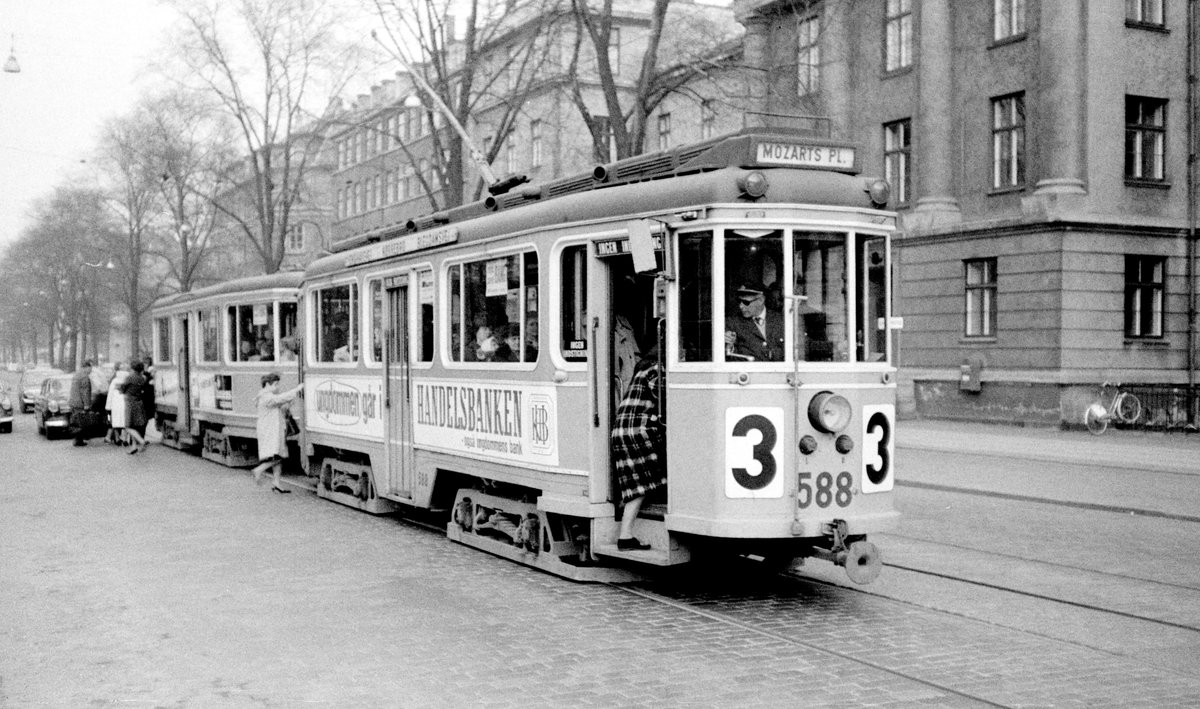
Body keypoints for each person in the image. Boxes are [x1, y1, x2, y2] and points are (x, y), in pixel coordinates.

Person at [609, 346, 665, 551]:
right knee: (641, 486)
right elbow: (669, 397)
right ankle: (625, 536)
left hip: (623, 431)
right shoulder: (657, 371)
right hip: (639, 432)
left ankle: (626, 529)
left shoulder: (643, 369)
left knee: (638, 484)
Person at [250, 372, 304, 493]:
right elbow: (279, 399)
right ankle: (258, 470)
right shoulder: (266, 396)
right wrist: (296, 390)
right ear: (268, 384)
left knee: (279, 455)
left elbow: (279, 405)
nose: (278, 387)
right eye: (276, 384)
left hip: (274, 429)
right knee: (277, 456)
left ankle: (276, 482)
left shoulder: (265, 396)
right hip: (270, 430)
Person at [724, 283, 785, 362]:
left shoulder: (781, 320)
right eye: (739, 301)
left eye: (746, 302)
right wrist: (729, 345)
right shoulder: (733, 323)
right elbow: (727, 356)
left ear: (761, 300)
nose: (741, 306)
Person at [120, 361, 150, 455]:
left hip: (130, 402)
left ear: (133, 369)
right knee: (135, 426)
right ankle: (134, 447)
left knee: (128, 426)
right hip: (139, 402)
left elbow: (122, 388)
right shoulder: (142, 378)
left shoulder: (129, 377)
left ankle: (141, 441)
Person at [68, 360, 94, 447]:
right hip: (80, 403)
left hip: (74, 402)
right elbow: (85, 392)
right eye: (90, 368)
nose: (91, 370)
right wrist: (86, 404)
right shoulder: (84, 377)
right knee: (82, 422)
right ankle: (78, 439)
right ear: (86, 367)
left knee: (76, 421)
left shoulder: (76, 375)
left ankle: (78, 439)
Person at [105, 362, 129, 446]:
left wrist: (108, 406)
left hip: (115, 404)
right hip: (126, 403)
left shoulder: (114, 381)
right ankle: (125, 439)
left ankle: (117, 438)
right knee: (126, 422)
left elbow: (110, 394)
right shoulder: (127, 380)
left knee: (116, 422)